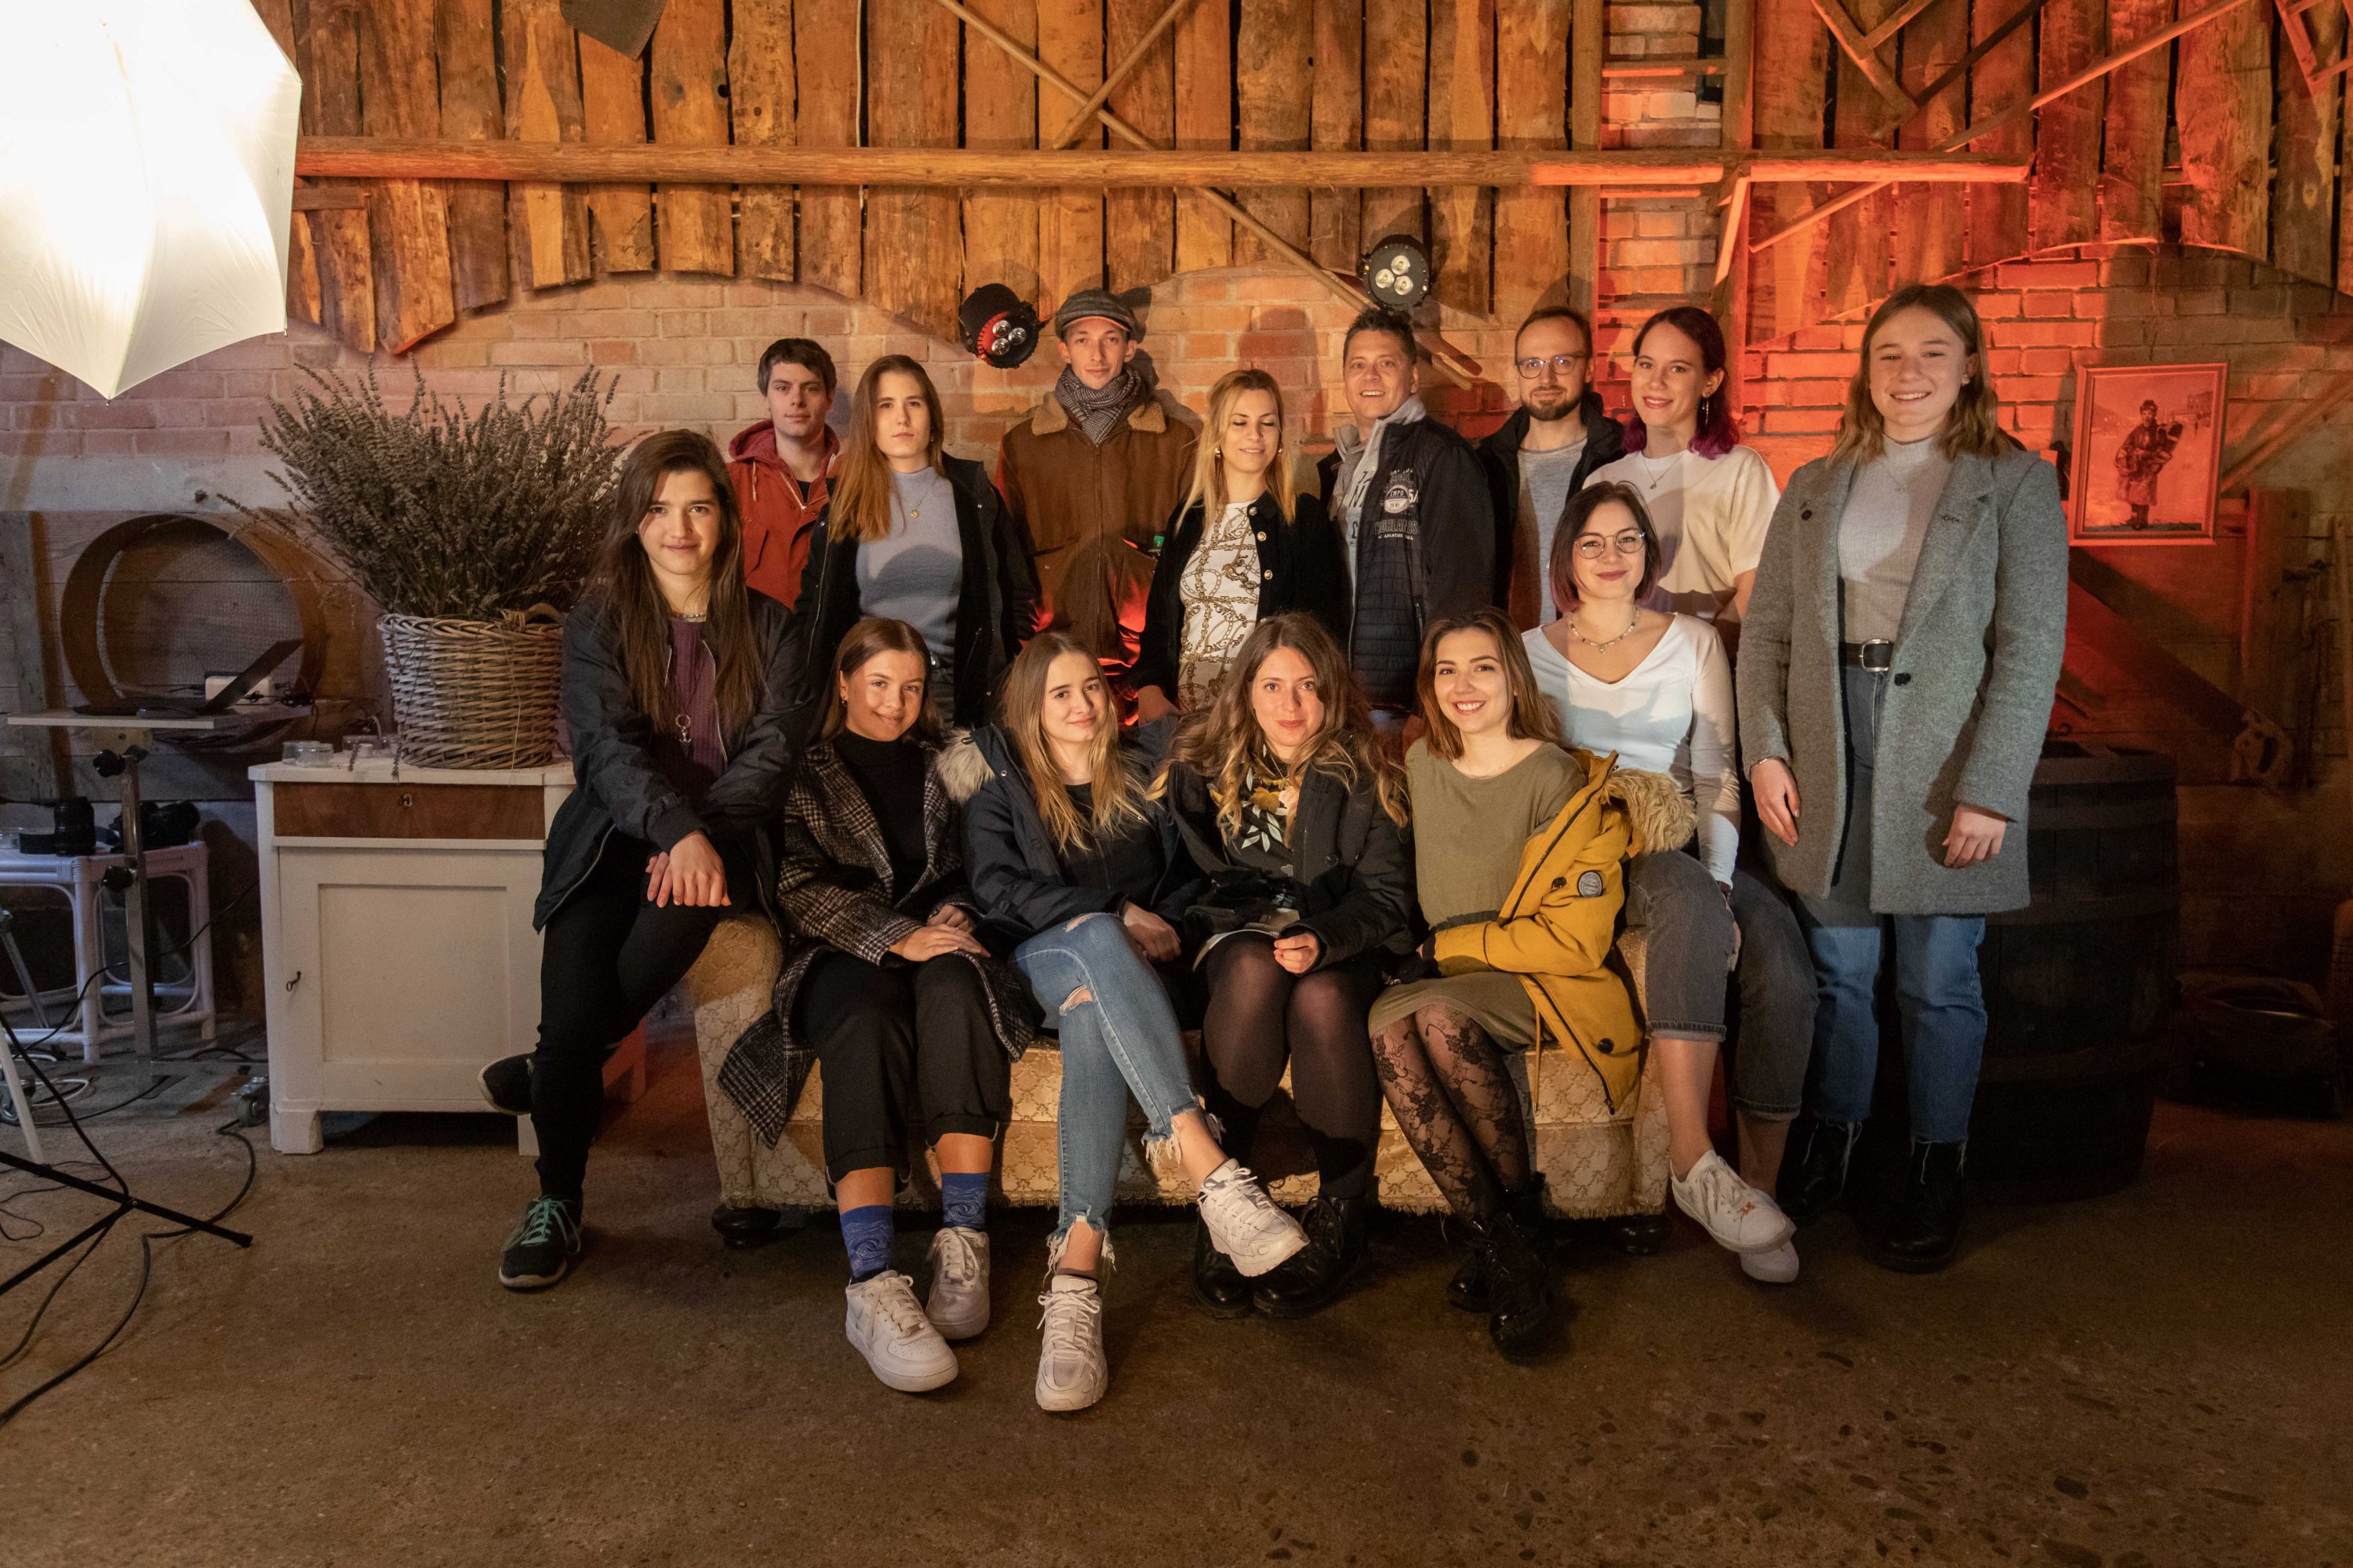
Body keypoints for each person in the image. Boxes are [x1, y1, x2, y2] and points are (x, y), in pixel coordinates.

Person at [1737, 282, 2068, 1272]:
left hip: (1943, 750)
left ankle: (1936, 1164)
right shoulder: (1816, 483)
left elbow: (2031, 647)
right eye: (1889, 353)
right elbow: (1768, 634)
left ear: (1969, 367)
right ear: (1866, 370)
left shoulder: (2014, 482)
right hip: (1828, 739)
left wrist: (1992, 787)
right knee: (1840, 972)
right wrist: (1765, 748)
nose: (1909, 372)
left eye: (1933, 352)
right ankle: (1834, 1144)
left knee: (1937, 978)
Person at [950, 632, 1308, 1410]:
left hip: (1135, 976)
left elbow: (1192, 876)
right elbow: (1000, 890)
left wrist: (1161, 922)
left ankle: (1074, 1283)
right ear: (1031, 708)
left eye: (1091, 687)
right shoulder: (1001, 783)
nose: (1082, 704)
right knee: (1094, 943)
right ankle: (1210, 1168)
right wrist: (1114, 913)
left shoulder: (1148, 769)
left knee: (1093, 1013)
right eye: (1060, 693)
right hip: (1041, 964)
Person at [489, 430, 798, 1293]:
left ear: (725, 519)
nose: (679, 528)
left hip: (723, 841)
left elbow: (771, 756)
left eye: (698, 508)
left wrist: (699, 835)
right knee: (571, 993)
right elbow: (604, 746)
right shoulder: (599, 622)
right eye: (660, 509)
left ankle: (558, 1072)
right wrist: (670, 828)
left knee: (579, 1030)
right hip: (608, 839)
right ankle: (557, 1201)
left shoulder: (771, 627)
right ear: (635, 520)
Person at [733, 617, 1039, 1392]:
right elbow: (797, 888)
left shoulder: (949, 764)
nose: (895, 703)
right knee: (865, 1017)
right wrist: (898, 935)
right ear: (844, 683)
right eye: (878, 684)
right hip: (843, 951)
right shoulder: (804, 772)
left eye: (910, 687)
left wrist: (962, 910)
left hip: (940, 939)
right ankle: (870, 1280)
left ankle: (963, 1241)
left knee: (959, 988)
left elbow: (980, 861)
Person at [1524, 483, 1817, 1282]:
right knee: (1687, 899)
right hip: (1589, 852)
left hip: (1685, 834)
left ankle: (1755, 1193)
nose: (1610, 556)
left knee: (1785, 966)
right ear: (1566, 558)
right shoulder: (1528, 651)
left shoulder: (1693, 640)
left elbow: (1717, 774)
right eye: (1591, 542)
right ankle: (1694, 1160)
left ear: (1650, 556)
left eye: (1628, 540)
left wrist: (1721, 880)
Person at [1369, 610, 1666, 1354]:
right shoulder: (1422, 764)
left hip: (1536, 977)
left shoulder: (1551, 774)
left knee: (1437, 1018)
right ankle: (1508, 1239)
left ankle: (1512, 1239)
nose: (1462, 685)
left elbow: (1576, 937)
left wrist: (1450, 943)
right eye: (1446, 670)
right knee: (1385, 1021)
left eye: (1482, 667)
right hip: (1445, 974)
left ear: (1513, 677)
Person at [1158, 613, 1413, 1315]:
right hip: (1233, 936)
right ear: (1246, 690)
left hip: (1338, 940)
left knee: (1321, 996)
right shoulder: (1202, 765)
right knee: (1254, 968)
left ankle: (1342, 1217)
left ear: (1331, 690)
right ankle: (1227, 1201)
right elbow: (1177, 877)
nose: (1290, 704)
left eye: (1307, 685)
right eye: (1272, 685)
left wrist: (1324, 938)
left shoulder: (1366, 772)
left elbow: (1387, 898)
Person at [793, 355, 1038, 734]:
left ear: (932, 416)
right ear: (869, 421)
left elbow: (1017, 598)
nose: (902, 419)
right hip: (867, 702)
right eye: (886, 406)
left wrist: (1005, 683)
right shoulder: (845, 504)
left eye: (914, 403)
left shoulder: (974, 498)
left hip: (956, 701)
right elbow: (814, 610)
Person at [1132, 368, 1347, 721]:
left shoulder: (1302, 519)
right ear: (1217, 433)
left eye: (1267, 423)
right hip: (1185, 724)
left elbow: (1320, 633)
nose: (1255, 435)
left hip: (1262, 722)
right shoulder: (1188, 519)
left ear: (1280, 435)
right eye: (1240, 422)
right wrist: (1150, 691)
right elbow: (1159, 623)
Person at [996, 288, 1198, 664]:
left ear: (1130, 349)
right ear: (1064, 350)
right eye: (1082, 340)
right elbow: (1005, 560)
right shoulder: (1023, 446)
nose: (1097, 355)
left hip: (1145, 657)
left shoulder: (1174, 442)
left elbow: (1193, 554)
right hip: (1052, 655)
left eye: (1111, 340)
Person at [1318, 307, 1497, 724]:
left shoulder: (1442, 455)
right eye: (1358, 365)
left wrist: (1430, 701)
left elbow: (1464, 595)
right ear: (1345, 378)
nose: (1370, 376)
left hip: (1406, 701)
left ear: (1413, 378)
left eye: (1386, 364)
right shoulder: (1337, 468)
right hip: (1343, 696)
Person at [1581, 305, 1779, 631]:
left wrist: (1705, 650)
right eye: (1646, 364)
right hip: (1622, 656)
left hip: (1711, 656)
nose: (1656, 382)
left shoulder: (1739, 470)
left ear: (1710, 382)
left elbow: (1759, 584)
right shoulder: (1603, 480)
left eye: (1677, 369)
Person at [1478, 305, 1626, 628]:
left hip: (1599, 644)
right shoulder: (1487, 465)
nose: (1546, 378)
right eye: (1532, 364)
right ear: (1518, 372)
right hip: (1511, 647)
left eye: (1562, 362)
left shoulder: (1620, 457)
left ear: (1589, 369)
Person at [727, 337, 840, 606]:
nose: (797, 400)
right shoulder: (731, 482)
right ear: (766, 398)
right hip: (752, 633)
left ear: (829, 399)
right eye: (782, 388)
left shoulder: (855, 482)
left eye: (811, 388)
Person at [2114, 398, 2183, 529]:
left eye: (2150, 414)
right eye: (2144, 413)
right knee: (2133, 494)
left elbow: (2161, 451)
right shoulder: (2137, 431)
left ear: (2154, 414)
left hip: (2150, 467)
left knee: (2144, 495)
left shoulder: (2159, 431)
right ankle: (2134, 518)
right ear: (2141, 414)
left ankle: (2143, 521)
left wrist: (2145, 453)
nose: (2147, 417)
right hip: (2136, 467)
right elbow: (2127, 444)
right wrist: (2125, 453)